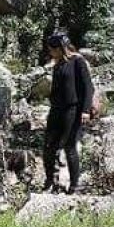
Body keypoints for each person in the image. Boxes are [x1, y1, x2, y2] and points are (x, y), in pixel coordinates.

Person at [42, 33, 95, 194]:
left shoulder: (77, 62)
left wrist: (85, 110)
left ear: (60, 49)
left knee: (69, 146)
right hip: (56, 110)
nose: (50, 52)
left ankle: (74, 184)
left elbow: (88, 87)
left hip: (73, 110)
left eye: (52, 49)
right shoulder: (57, 65)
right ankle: (50, 180)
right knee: (49, 146)